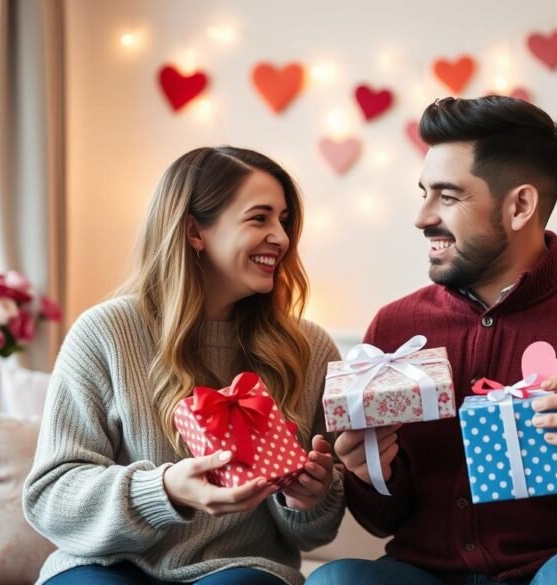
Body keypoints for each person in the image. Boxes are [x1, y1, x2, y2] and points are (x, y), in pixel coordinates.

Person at [309, 96, 557, 585]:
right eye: (423, 193)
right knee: (337, 581)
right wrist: (373, 475)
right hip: (428, 575)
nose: (422, 217)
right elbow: (382, 522)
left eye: (448, 196)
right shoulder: (395, 332)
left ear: (520, 205)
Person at [24, 146, 345, 585]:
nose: (282, 238)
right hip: (108, 567)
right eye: (260, 218)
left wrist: (310, 499)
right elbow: (49, 498)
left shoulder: (309, 349)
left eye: (284, 221)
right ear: (195, 231)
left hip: (240, 570)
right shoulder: (106, 333)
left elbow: (316, 533)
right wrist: (164, 490)